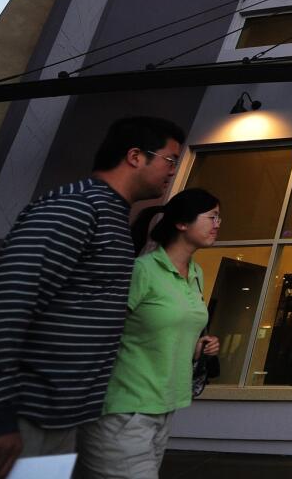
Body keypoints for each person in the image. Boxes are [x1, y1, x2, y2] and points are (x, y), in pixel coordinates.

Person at [0, 116, 185, 479]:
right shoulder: (76, 208)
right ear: (135, 156)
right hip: (15, 417)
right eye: (170, 159)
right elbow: (6, 308)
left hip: (56, 419)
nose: (174, 170)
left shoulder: (112, 219)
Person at [76, 188, 222, 478]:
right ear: (182, 223)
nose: (219, 223)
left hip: (165, 407)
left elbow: (160, 332)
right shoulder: (141, 271)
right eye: (212, 216)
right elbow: (100, 333)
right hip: (124, 410)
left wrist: (199, 347)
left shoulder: (196, 274)